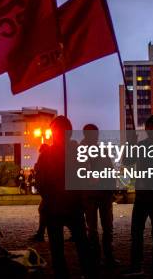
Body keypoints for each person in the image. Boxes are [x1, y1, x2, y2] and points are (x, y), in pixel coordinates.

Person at [35, 116, 96, 279]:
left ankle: (68, 273)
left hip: (61, 205)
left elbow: (39, 181)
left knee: (60, 248)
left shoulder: (50, 153)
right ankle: (87, 272)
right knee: (80, 244)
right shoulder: (73, 152)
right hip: (69, 205)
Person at [122, 115, 153, 279]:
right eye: (148, 127)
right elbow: (127, 161)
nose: (150, 130)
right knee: (136, 231)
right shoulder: (141, 146)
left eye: (152, 127)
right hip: (143, 195)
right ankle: (137, 266)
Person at [81, 124, 119, 268]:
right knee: (94, 228)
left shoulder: (100, 149)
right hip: (92, 194)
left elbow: (109, 169)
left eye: (95, 135)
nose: (95, 137)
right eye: (93, 135)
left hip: (102, 194)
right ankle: (98, 257)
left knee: (105, 227)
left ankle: (105, 256)